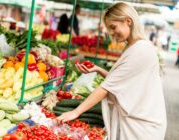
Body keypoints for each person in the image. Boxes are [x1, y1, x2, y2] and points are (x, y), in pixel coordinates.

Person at [58, 2, 167, 140]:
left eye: (113, 27)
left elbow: (106, 87)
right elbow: (120, 81)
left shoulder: (140, 50)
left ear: (128, 21)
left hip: (143, 127)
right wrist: (98, 69)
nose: (111, 33)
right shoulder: (134, 47)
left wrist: (76, 112)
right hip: (140, 120)